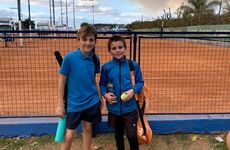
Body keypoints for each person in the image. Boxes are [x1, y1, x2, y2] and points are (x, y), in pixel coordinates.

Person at [56, 24, 101, 150]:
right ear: (78, 40)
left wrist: (99, 97)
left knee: (87, 128)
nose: (88, 43)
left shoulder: (95, 58)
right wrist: (60, 105)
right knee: (69, 134)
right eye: (84, 39)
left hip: (92, 101)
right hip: (74, 103)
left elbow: (92, 79)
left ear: (95, 42)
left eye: (91, 40)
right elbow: (62, 81)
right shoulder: (69, 58)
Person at [99, 35, 144, 150]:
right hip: (114, 109)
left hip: (130, 109)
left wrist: (132, 91)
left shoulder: (133, 65)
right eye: (114, 48)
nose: (117, 50)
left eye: (120, 47)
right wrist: (105, 95)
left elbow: (140, 82)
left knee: (132, 135)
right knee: (118, 135)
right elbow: (102, 84)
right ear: (110, 50)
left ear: (125, 48)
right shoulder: (106, 67)